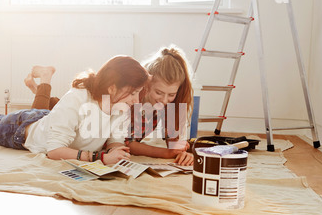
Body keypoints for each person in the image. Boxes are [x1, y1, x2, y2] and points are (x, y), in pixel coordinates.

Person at [0, 56, 149, 165]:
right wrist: (100, 158)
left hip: (48, 121)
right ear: (112, 88)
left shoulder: (121, 107)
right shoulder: (78, 99)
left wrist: (116, 150)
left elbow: (115, 139)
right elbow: (54, 151)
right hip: (20, 129)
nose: (136, 99)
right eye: (132, 92)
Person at [24, 46, 194, 166]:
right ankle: (44, 81)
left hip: (82, 123)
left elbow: (175, 144)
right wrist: (167, 153)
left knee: (49, 112)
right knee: (39, 115)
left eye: (171, 95)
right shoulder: (130, 97)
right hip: (63, 122)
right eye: (158, 93)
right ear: (147, 86)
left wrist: (180, 152)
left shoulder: (171, 103)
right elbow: (129, 142)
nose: (164, 100)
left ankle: (38, 89)